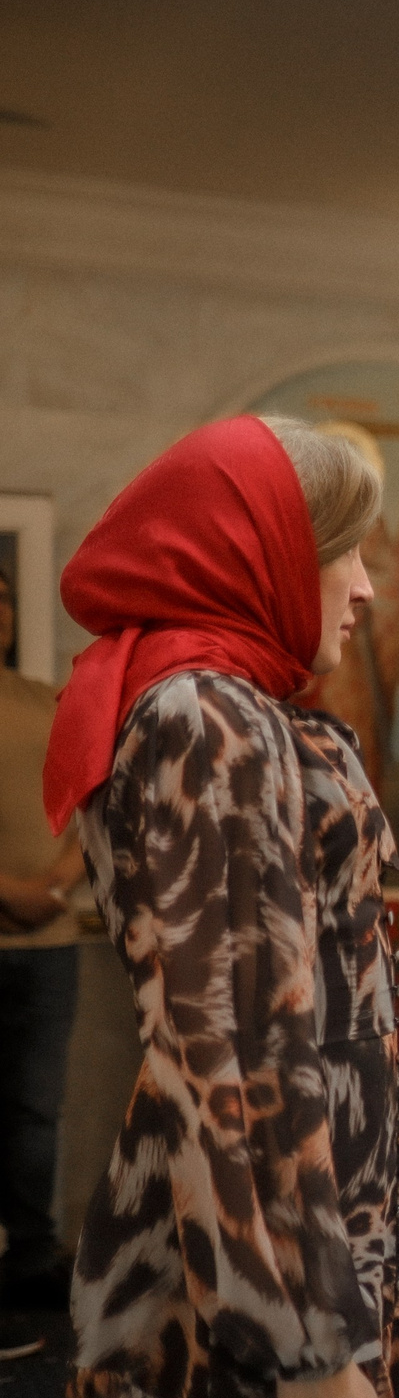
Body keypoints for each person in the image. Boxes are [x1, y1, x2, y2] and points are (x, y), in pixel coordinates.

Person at [39, 415, 399, 1398]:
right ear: (260, 551)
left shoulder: (232, 704)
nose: (368, 586)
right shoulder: (209, 722)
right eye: (345, 554)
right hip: (243, 1296)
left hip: (286, 1253)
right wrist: (305, 1348)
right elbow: (231, 1057)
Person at [0, 561, 83, 1319]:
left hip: (53, 941)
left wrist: (55, 883)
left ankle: (31, 1259)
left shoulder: (44, 701)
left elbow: (88, 803)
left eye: (1, 598)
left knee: (37, 1110)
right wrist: (7, 890)